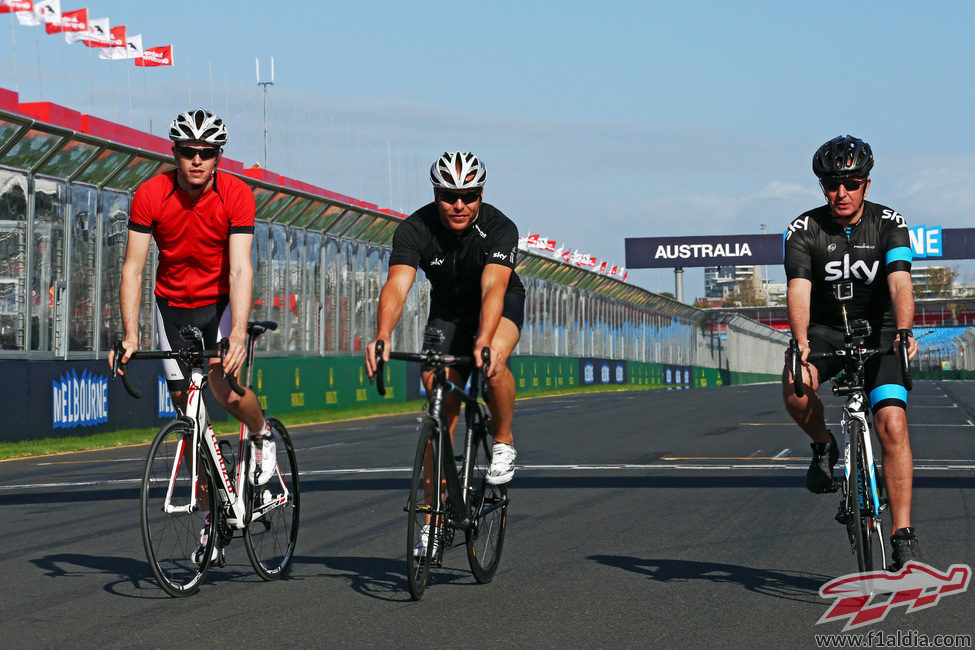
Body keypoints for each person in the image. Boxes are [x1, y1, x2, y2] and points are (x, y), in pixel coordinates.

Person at [108, 109, 275, 562]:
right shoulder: (150, 193)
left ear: (219, 156)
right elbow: (133, 267)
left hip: (218, 305)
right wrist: (129, 334)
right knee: (191, 421)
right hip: (172, 306)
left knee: (222, 388)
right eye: (188, 152)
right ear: (174, 153)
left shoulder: (237, 194)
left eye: (206, 153)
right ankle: (211, 521)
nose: (197, 161)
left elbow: (241, 267)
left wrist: (238, 332)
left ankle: (260, 435)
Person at [365, 151, 524, 552]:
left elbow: (493, 288)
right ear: (435, 194)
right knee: (438, 409)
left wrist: (485, 340)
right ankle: (433, 517)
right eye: (449, 195)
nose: (459, 205)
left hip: (499, 305)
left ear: (481, 194)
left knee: (492, 363)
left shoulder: (500, 227)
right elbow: (398, 286)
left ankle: (503, 440)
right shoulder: (414, 228)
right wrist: (382, 334)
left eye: (468, 196)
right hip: (449, 313)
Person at [782, 134, 923, 570]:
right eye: (831, 184)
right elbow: (798, 288)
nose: (841, 193)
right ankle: (824, 447)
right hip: (826, 331)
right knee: (795, 385)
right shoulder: (803, 229)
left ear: (867, 182)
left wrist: (903, 330)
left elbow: (900, 281)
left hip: (879, 331)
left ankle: (902, 534)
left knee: (893, 424)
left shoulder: (889, 222)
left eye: (852, 182)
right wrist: (802, 342)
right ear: (821, 186)